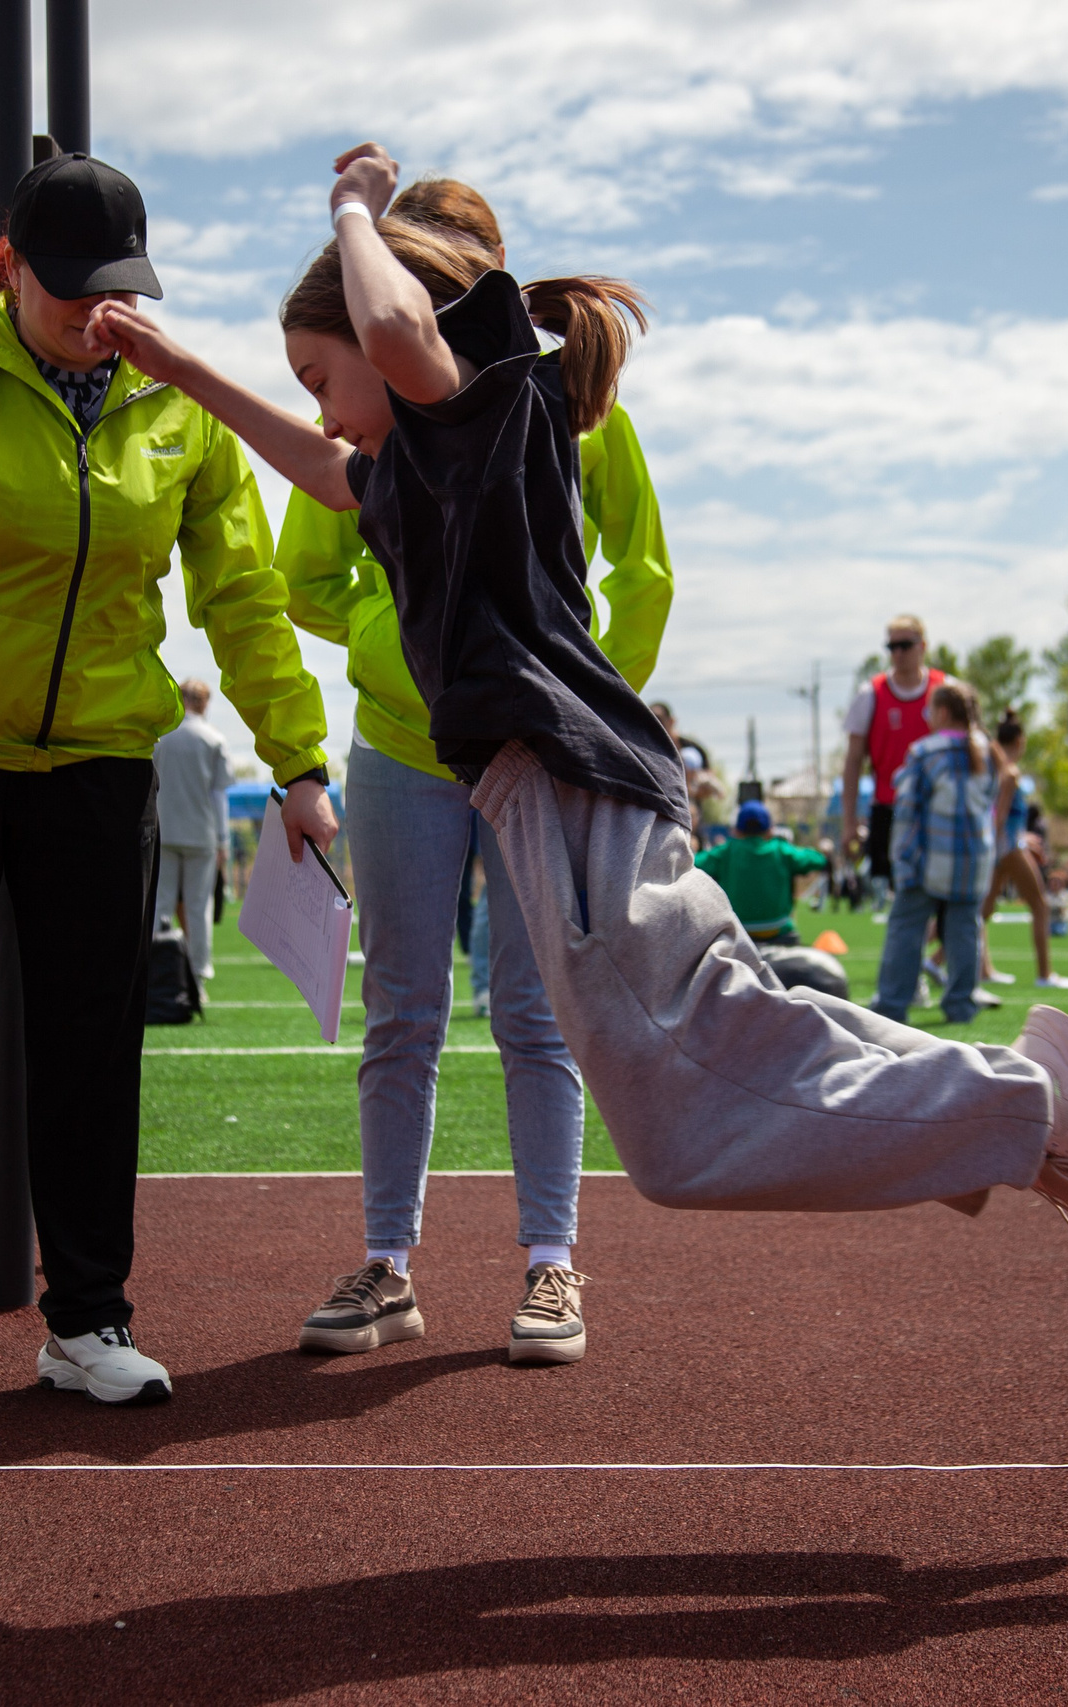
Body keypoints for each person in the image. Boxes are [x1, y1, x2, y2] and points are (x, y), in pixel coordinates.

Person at [80, 141, 1068, 1261]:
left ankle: (1029, 1105)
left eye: (320, 379)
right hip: (551, 790)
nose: (318, 412)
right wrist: (179, 369)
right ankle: (1034, 1122)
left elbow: (398, 338)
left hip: (574, 788)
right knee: (734, 1044)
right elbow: (319, 471)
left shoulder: (482, 412)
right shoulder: (420, 465)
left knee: (683, 1134)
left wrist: (354, 213)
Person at [0, 152, 336, 1405]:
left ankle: (87, 1321)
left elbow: (242, 600)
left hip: (100, 767)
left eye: (114, 287)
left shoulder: (181, 406)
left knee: (94, 1052)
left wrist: (301, 763)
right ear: (6, 271)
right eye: (62, 288)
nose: (88, 312)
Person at [271, 174, 673, 1366]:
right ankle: (386, 1265)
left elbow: (642, 575)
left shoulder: (570, 399)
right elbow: (307, 573)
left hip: (533, 744)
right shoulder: (378, 424)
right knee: (403, 1012)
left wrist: (572, 701)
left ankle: (552, 1265)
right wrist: (411, 643)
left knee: (536, 1012)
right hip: (401, 747)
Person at [871, 681, 997, 1024]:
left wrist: (903, 859)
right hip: (974, 861)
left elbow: (907, 813)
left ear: (942, 712)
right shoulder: (989, 752)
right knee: (964, 931)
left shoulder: (926, 752)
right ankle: (960, 1005)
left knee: (906, 928)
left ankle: (892, 1005)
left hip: (931, 861)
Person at [839, 617, 954, 913]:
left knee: (949, 898)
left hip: (938, 811)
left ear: (923, 647)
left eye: (905, 645)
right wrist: (849, 821)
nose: (898, 653)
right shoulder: (871, 694)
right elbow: (853, 761)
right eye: (892, 647)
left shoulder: (945, 691)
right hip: (890, 812)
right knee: (900, 900)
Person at [978, 713, 1068, 989]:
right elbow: (999, 817)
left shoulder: (994, 768)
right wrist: (1009, 843)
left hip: (1004, 846)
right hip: (1008, 848)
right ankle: (1045, 975)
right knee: (1040, 905)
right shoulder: (1009, 771)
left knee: (983, 911)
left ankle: (945, 962)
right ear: (1020, 741)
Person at [152, 676, 233, 991]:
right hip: (202, 834)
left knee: (161, 904)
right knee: (199, 907)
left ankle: (159, 979)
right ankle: (197, 978)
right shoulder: (214, 739)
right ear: (203, 702)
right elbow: (218, 796)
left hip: (165, 830)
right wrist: (223, 840)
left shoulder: (161, 737)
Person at [697, 800, 828, 943]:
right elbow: (817, 860)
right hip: (778, 929)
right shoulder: (781, 850)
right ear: (770, 829)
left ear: (738, 829)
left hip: (738, 931)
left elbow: (695, 863)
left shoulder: (726, 851)